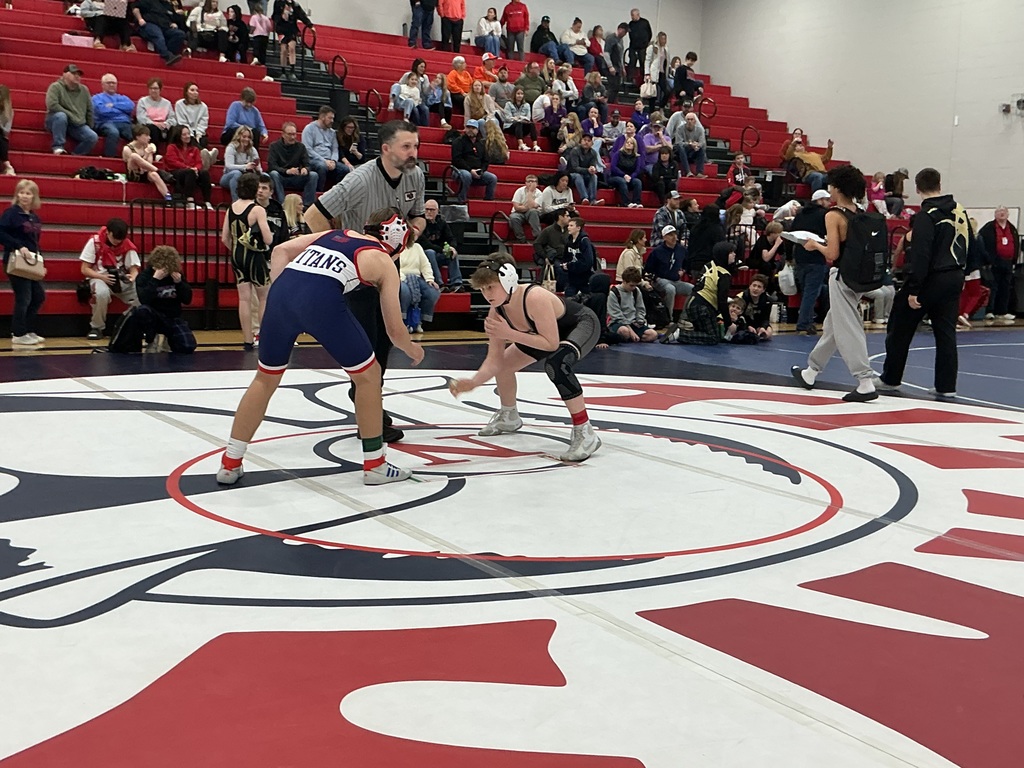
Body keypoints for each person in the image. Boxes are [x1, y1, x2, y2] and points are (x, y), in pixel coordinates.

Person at [218, 210, 424, 486]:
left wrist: (286, 298)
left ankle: (230, 463)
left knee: (265, 379)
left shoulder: (336, 233)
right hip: (321, 301)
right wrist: (412, 349)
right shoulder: (384, 260)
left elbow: (280, 250)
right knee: (369, 376)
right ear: (398, 240)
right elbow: (394, 331)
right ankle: (375, 465)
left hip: (282, 296)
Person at [304, 120, 427, 444]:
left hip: (389, 270)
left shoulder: (415, 174)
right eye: (406, 146)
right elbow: (313, 215)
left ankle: (367, 404)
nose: (413, 152)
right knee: (367, 347)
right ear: (386, 149)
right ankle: (370, 417)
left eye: (415, 145)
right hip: (356, 276)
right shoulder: (359, 180)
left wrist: (411, 232)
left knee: (384, 346)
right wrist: (342, 245)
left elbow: (418, 215)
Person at [449, 255, 602, 462]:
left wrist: (509, 334)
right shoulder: (496, 313)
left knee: (556, 364)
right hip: (542, 333)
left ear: (508, 279)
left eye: (491, 287)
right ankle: (509, 415)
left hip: (579, 325)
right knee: (504, 365)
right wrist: (474, 382)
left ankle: (585, 431)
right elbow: (494, 360)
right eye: (483, 289)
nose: (486, 294)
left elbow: (550, 344)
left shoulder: (534, 297)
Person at [876, 168, 971, 401]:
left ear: (917, 189)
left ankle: (890, 378)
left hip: (930, 278)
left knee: (900, 327)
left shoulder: (927, 215)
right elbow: (970, 243)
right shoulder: (960, 210)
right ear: (939, 183)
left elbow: (921, 253)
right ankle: (946, 385)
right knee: (945, 333)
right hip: (954, 276)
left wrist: (915, 288)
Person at [790, 165, 879, 402]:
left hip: (841, 277)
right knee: (832, 327)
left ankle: (864, 380)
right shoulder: (858, 211)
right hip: (857, 277)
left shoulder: (833, 215)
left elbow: (831, 253)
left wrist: (813, 245)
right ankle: (811, 371)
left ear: (836, 188)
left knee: (848, 327)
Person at [221, 171, 272, 349]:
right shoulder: (257, 209)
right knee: (264, 297)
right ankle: (264, 337)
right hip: (254, 256)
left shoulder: (231, 208)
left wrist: (237, 249)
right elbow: (268, 239)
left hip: (236, 256)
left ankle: (247, 340)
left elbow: (225, 238)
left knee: (244, 299)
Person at [0, 180, 46, 346]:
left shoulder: (34, 216)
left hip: (31, 262)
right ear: (17, 194)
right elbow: (1, 233)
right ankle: (18, 333)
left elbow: (35, 241)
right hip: (16, 260)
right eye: (22, 192)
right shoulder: (11, 214)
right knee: (24, 297)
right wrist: (19, 246)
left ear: (34, 196)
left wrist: (40, 260)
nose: (24, 196)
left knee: (38, 296)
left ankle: (28, 329)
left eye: (28, 193)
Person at [80, 217, 141, 340]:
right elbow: (84, 269)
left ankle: (135, 326)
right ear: (107, 232)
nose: (117, 243)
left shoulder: (127, 244)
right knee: (101, 293)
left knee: (142, 293)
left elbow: (134, 268)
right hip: (99, 277)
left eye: (120, 241)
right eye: (114, 239)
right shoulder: (95, 242)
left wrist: (133, 276)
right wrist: (102, 277)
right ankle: (97, 327)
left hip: (120, 279)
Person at [664, 241, 735, 345]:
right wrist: (729, 323)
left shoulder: (710, 264)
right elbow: (722, 302)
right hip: (702, 307)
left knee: (705, 332)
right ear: (724, 254)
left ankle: (686, 333)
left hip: (692, 303)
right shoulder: (724, 275)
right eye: (731, 252)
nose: (734, 254)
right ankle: (680, 334)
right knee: (713, 338)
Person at [132, 245, 196, 352]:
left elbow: (187, 300)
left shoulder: (176, 275)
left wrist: (179, 283)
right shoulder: (145, 276)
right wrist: (155, 280)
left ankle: (169, 339)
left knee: (187, 346)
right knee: (142, 311)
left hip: (172, 317)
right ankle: (151, 338)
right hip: (154, 316)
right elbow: (144, 299)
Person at [791, 189, 831, 334]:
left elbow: (792, 233)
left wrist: (790, 257)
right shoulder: (824, 215)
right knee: (811, 292)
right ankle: (804, 323)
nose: (829, 203)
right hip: (816, 257)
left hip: (800, 257)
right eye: (827, 200)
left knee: (806, 292)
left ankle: (805, 320)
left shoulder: (800, 214)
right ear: (820, 200)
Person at [978, 205, 1019, 325]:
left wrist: (1014, 260)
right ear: (995, 214)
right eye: (999, 211)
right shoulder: (988, 228)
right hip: (993, 263)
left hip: (1008, 262)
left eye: (1004, 211)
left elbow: (1015, 243)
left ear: (1008, 214)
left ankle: (1002, 311)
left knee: (1005, 287)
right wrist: (988, 260)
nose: (1002, 213)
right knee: (993, 287)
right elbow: (983, 244)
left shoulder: (1012, 228)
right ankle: (990, 310)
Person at [45, 65, 98, 156]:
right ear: (65, 74)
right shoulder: (55, 87)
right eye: (74, 73)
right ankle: (58, 147)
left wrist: (89, 126)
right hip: (56, 120)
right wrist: (70, 115)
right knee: (61, 116)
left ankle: (75, 155)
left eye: (79, 74)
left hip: (77, 124)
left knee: (92, 136)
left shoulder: (84, 90)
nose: (77, 76)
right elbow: (52, 105)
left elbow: (89, 110)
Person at [645, 225, 692, 322]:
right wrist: (653, 279)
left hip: (675, 280)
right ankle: (668, 318)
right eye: (670, 235)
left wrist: (683, 271)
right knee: (670, 289)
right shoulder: (657, 251)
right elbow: (648, 268)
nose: (674, 237)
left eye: (674, 234)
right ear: (664, 237)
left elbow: (687, 264)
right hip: (660, 280)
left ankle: (683, 317)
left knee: (692, 289)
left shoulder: (681, 250)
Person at [268, 121, 318, 206]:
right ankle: (282, 204)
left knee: (313, 175)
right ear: (283, 134)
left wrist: (305, 169)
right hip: (281, 177)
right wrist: (286, 171)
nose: (292, 137)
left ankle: (307, 205)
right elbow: (272, 166)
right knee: (273, 174)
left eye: (294, 134)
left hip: (296, 177)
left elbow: (308, 164)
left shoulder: (301, 147)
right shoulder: (274, 146)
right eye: (289, 134)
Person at [165, 125, 214, 209]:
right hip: (176, 171)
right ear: (178, 136)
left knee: (204, 173)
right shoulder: (172, 147)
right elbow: (172, 161)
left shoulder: (194, 149)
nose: (187, 136)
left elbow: (199, 163)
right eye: (184, 134)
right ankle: (190, 201)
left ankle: (207, 202)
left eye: (188, 134)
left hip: (191, 171)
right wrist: (188, 167)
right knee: (189, 172)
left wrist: (196, 169)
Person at [398, 240, 440, 332]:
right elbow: (394, 265)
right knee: (405, 291)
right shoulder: (395, 247)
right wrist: (403, 278)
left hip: (416, 276)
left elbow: (425, 264)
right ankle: (403, 321)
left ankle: (418, 321)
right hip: (399, 276)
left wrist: (430, 279)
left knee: (432, 292)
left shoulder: (417, 247)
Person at [450, 119, 497, 203]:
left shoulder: (481, 144)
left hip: (477, 171)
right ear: (465, 128)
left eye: (473, 128)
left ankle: (488, 201)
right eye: (468, 127)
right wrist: (470, 170)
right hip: (459, 170)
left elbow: (486, 160)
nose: (470, 130)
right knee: (466, 175)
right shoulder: (458, 141)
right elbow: (457, 160)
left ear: (477, 130)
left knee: (492, 178)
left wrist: (481, 171)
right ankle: (461, 200)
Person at [123, 124, 172, 201]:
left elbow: (148, 165)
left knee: (154, 174)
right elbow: (140, 167)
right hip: (133, 173)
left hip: (145, 172)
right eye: (146, 135)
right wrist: (146, 154)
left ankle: (168, 197)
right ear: (138, 137)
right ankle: (159, 171)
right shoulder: (127, 149)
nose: (149, 138)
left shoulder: (148, 146)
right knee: (134, 156)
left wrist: (148, 153)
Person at [608, 266, 657, 343]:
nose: (633, 288)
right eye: (631, 285)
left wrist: (640, 321)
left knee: (653, 335)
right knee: (624, 331)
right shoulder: (614, 293)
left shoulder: (636, 291)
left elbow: (640, 308)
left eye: (635, 285)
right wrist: (631, 331)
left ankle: (632, 337)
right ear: (624, 281)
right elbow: (617, 315)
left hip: (634, 323)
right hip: (618, 323)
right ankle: (630, 336)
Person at [301, 106, 344, 192]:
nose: (332, 121)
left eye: (333, 118)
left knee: (344, 169)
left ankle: (337, 192)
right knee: (322, 166)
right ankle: (319, 192)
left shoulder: (332, 132)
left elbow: (335, 149)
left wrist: (333, 161)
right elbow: (308, 149)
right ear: (322, 117)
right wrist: (324, 161)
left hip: (329, 160)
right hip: (314, 159)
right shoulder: (309, 129)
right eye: (330, 118)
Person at [92, 74, 135, 158]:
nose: (112, 85)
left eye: (114, 83)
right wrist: (121, 110)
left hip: (124, 123)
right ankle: (109, 157)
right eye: (109, 83)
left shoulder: (123, 97)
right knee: (113, 132)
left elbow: (130, 106)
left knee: (137, 132)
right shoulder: (97, 98)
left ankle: (135, 158)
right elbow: (102, 111)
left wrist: (113, 105)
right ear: (103, 85)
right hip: (106, 122)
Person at [132, 0, 186, 65]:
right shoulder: (148, 1)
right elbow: (135, 8)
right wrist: (140, 19)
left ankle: (169, 54)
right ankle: (167, 55)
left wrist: (172, 23)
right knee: (158, 36)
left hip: (165, 26)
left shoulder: (167, 5)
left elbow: (171, 17)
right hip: (150, 23)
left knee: (180, 34)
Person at [174, 82, 216, 162]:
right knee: (189, 139)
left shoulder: (203, 106)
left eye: (197, 90)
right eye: (192, 90)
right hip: (185, 130)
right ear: (186, 92)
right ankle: (206, 154)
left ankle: (203, 158)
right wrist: (191, 134)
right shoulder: (179, 104)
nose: (195, 93)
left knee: (203, 140)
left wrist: (199, 134)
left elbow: (203, 122)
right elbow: (182, 121)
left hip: (198, 131)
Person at [272, 0, 312, 82]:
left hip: (292, 29)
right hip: (281, 29)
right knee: (283, 50)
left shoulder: (295, 5)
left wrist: (310, 25)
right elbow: (274, 16)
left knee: (292, 48)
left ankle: (292, 71)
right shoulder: (278, 3)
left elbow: (302, 15)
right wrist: (281, 16)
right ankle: (283, 71)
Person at [221, 125, 261, 200]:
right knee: (237, 173)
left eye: (249, 137)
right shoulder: (231, 147)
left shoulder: (252, 149)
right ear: (239, 136)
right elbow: (229, 166)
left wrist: (258, 169)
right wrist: (245, 167)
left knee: (265, 176)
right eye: (244, 136)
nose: (246, 139)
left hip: (246, 177)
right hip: (229, 176)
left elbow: (259, 167)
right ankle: (236, 202)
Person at [558, 216, 595, 296]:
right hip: (572, 278)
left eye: (571, 226)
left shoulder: (584, 241)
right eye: (568, 225)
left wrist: (570, 266)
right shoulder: (569, 241)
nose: (568, 228)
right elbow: (566, 257)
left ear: (578, 228)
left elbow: (587, 262)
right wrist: (564, 265)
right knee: (569, 298)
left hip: (584, 279)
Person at [565, 133, 602, 206]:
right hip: (571, 175)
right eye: (584, 140)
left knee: (594, 176)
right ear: (581, 141)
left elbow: (592, 165)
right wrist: (587, 170)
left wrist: (592, 169)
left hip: (585, 174)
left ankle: (593, 200)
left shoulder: (593, 153)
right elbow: (574, 168)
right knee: (578, 176)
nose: (586, 142)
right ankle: (584, 198)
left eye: (589, 140)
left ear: (592, 143)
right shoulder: (575, 151)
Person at [136, 78, 175, 145]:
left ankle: (170, 151)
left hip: (164, 127)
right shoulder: (142, 101)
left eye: (156, 88)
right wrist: (155, 124)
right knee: (153, 128)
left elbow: (172, 118)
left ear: (160, 89)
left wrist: (166, 124)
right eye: (151, 88)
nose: (153, 90)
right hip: (150, 126)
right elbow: (141, 118)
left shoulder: (167, 103)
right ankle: (154, 152)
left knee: (174, 129)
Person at [609, 136, 644, 208]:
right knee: (622, 181)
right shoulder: (618, 154)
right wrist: (624, 175)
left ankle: (636, 202)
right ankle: (626, 203)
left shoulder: (637, 157)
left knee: (638, 182)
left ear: (634, 146)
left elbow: (637, 170)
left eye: (631, 143)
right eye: (627, 142)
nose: (628, 144)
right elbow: (613, 167)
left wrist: (631, 177)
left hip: (630, 177)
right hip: (616, 177)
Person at [739, 273, 774, 341]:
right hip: (744, 323)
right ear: (749, 286)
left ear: (763, 290)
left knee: (769, 332)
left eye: (759, 287)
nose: (755, 289)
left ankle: (758, 335)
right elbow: (739, 316)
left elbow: (766, 318)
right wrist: (747, 326)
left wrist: (763, 327)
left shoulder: (768, 301)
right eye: (754, 285)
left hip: (758, 324)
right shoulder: (741, 297)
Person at [509, 174, 542, 242]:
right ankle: (521, 239)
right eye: (529, 181)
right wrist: (529, 206)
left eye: (533, 181)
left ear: (537, 184)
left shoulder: (539, 193)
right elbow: (517, 207)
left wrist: (530, 192)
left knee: (533, 212)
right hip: (518, 213)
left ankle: (538, 238)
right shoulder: (519, 191)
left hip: (532, 213)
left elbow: (534, 206)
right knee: (514, 217)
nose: (531, 183)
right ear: (525, 183)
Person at [644, 31, 670, 108]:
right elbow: (647, 61)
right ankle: (651, 111)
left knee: (667, 92)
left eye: (665, 39)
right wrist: (647, 73)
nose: (664, 41)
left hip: (662, 72)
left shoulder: (666, 49)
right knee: (653, 93)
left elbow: (667, 61)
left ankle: (661, 107)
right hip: (653, 72)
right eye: (662, 39)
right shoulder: (652, 47)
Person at [603, 22, 628, 102]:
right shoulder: (611, 38)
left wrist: (622, 68)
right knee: (612, 86)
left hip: (618, 66)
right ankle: (608, 103)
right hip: (611, 66)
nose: (625, 34)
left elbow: (621, 55)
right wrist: (610, 66)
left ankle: (612, 102)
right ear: (620, 29)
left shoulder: (620, 41)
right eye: (624, 32)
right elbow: (606, 53)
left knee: (617, 87)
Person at [627, 8, 652, 80]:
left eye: (633, 15)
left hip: (643, 47)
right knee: (632, 63)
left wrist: (646, 43)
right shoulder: (631, 24)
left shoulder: (645, 22)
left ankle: (642, 80)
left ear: (638, 15)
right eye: (631, 15)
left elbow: (649, 33)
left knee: (643, 63)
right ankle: (630, 79)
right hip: (633, 46)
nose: (631, 17)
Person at [0, 86, 12, 177]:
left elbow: (6, 130)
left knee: (2, 139)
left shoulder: (9, 112)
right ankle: (7, 164)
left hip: (1, 135)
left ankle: (7, 165)